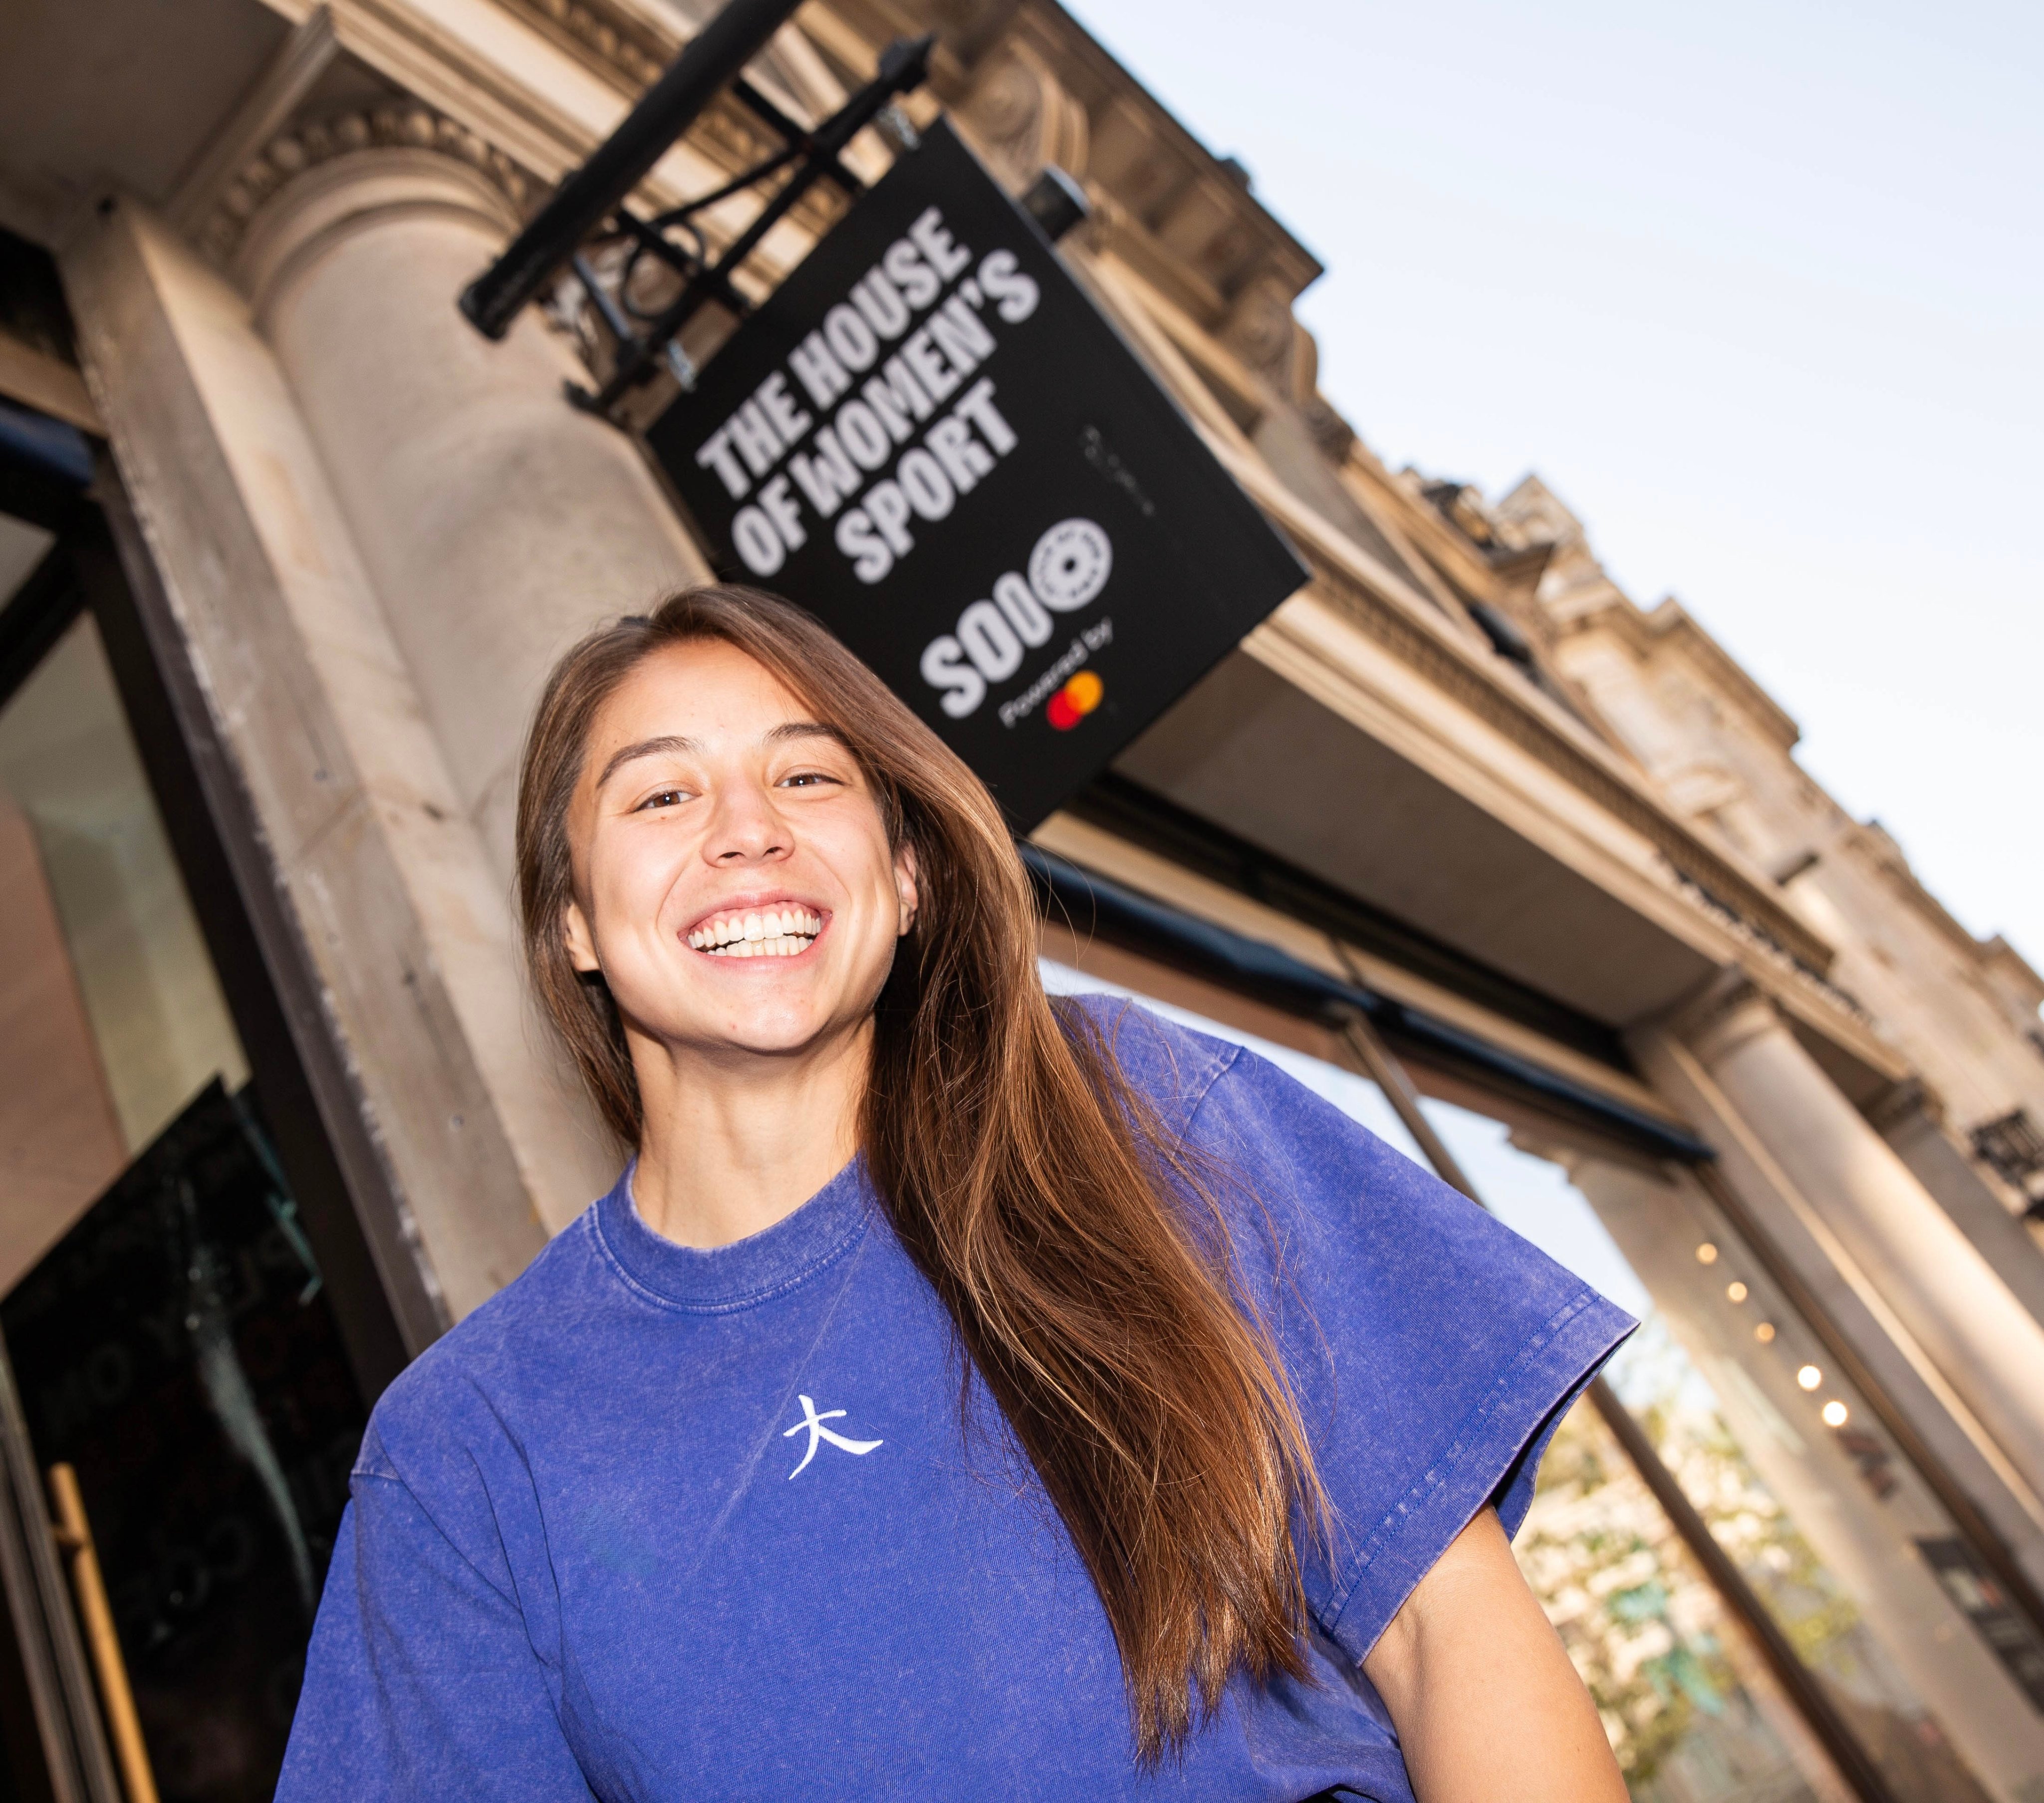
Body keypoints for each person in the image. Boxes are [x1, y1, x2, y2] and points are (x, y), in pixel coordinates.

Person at [277, 585, 1634, 1803]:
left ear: (907, 874)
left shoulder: (1136, 1116)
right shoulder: (466, 1452)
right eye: (662, 797)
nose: (748, 832)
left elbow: (1451, 1640)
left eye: (808, 777)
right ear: (572, 919)